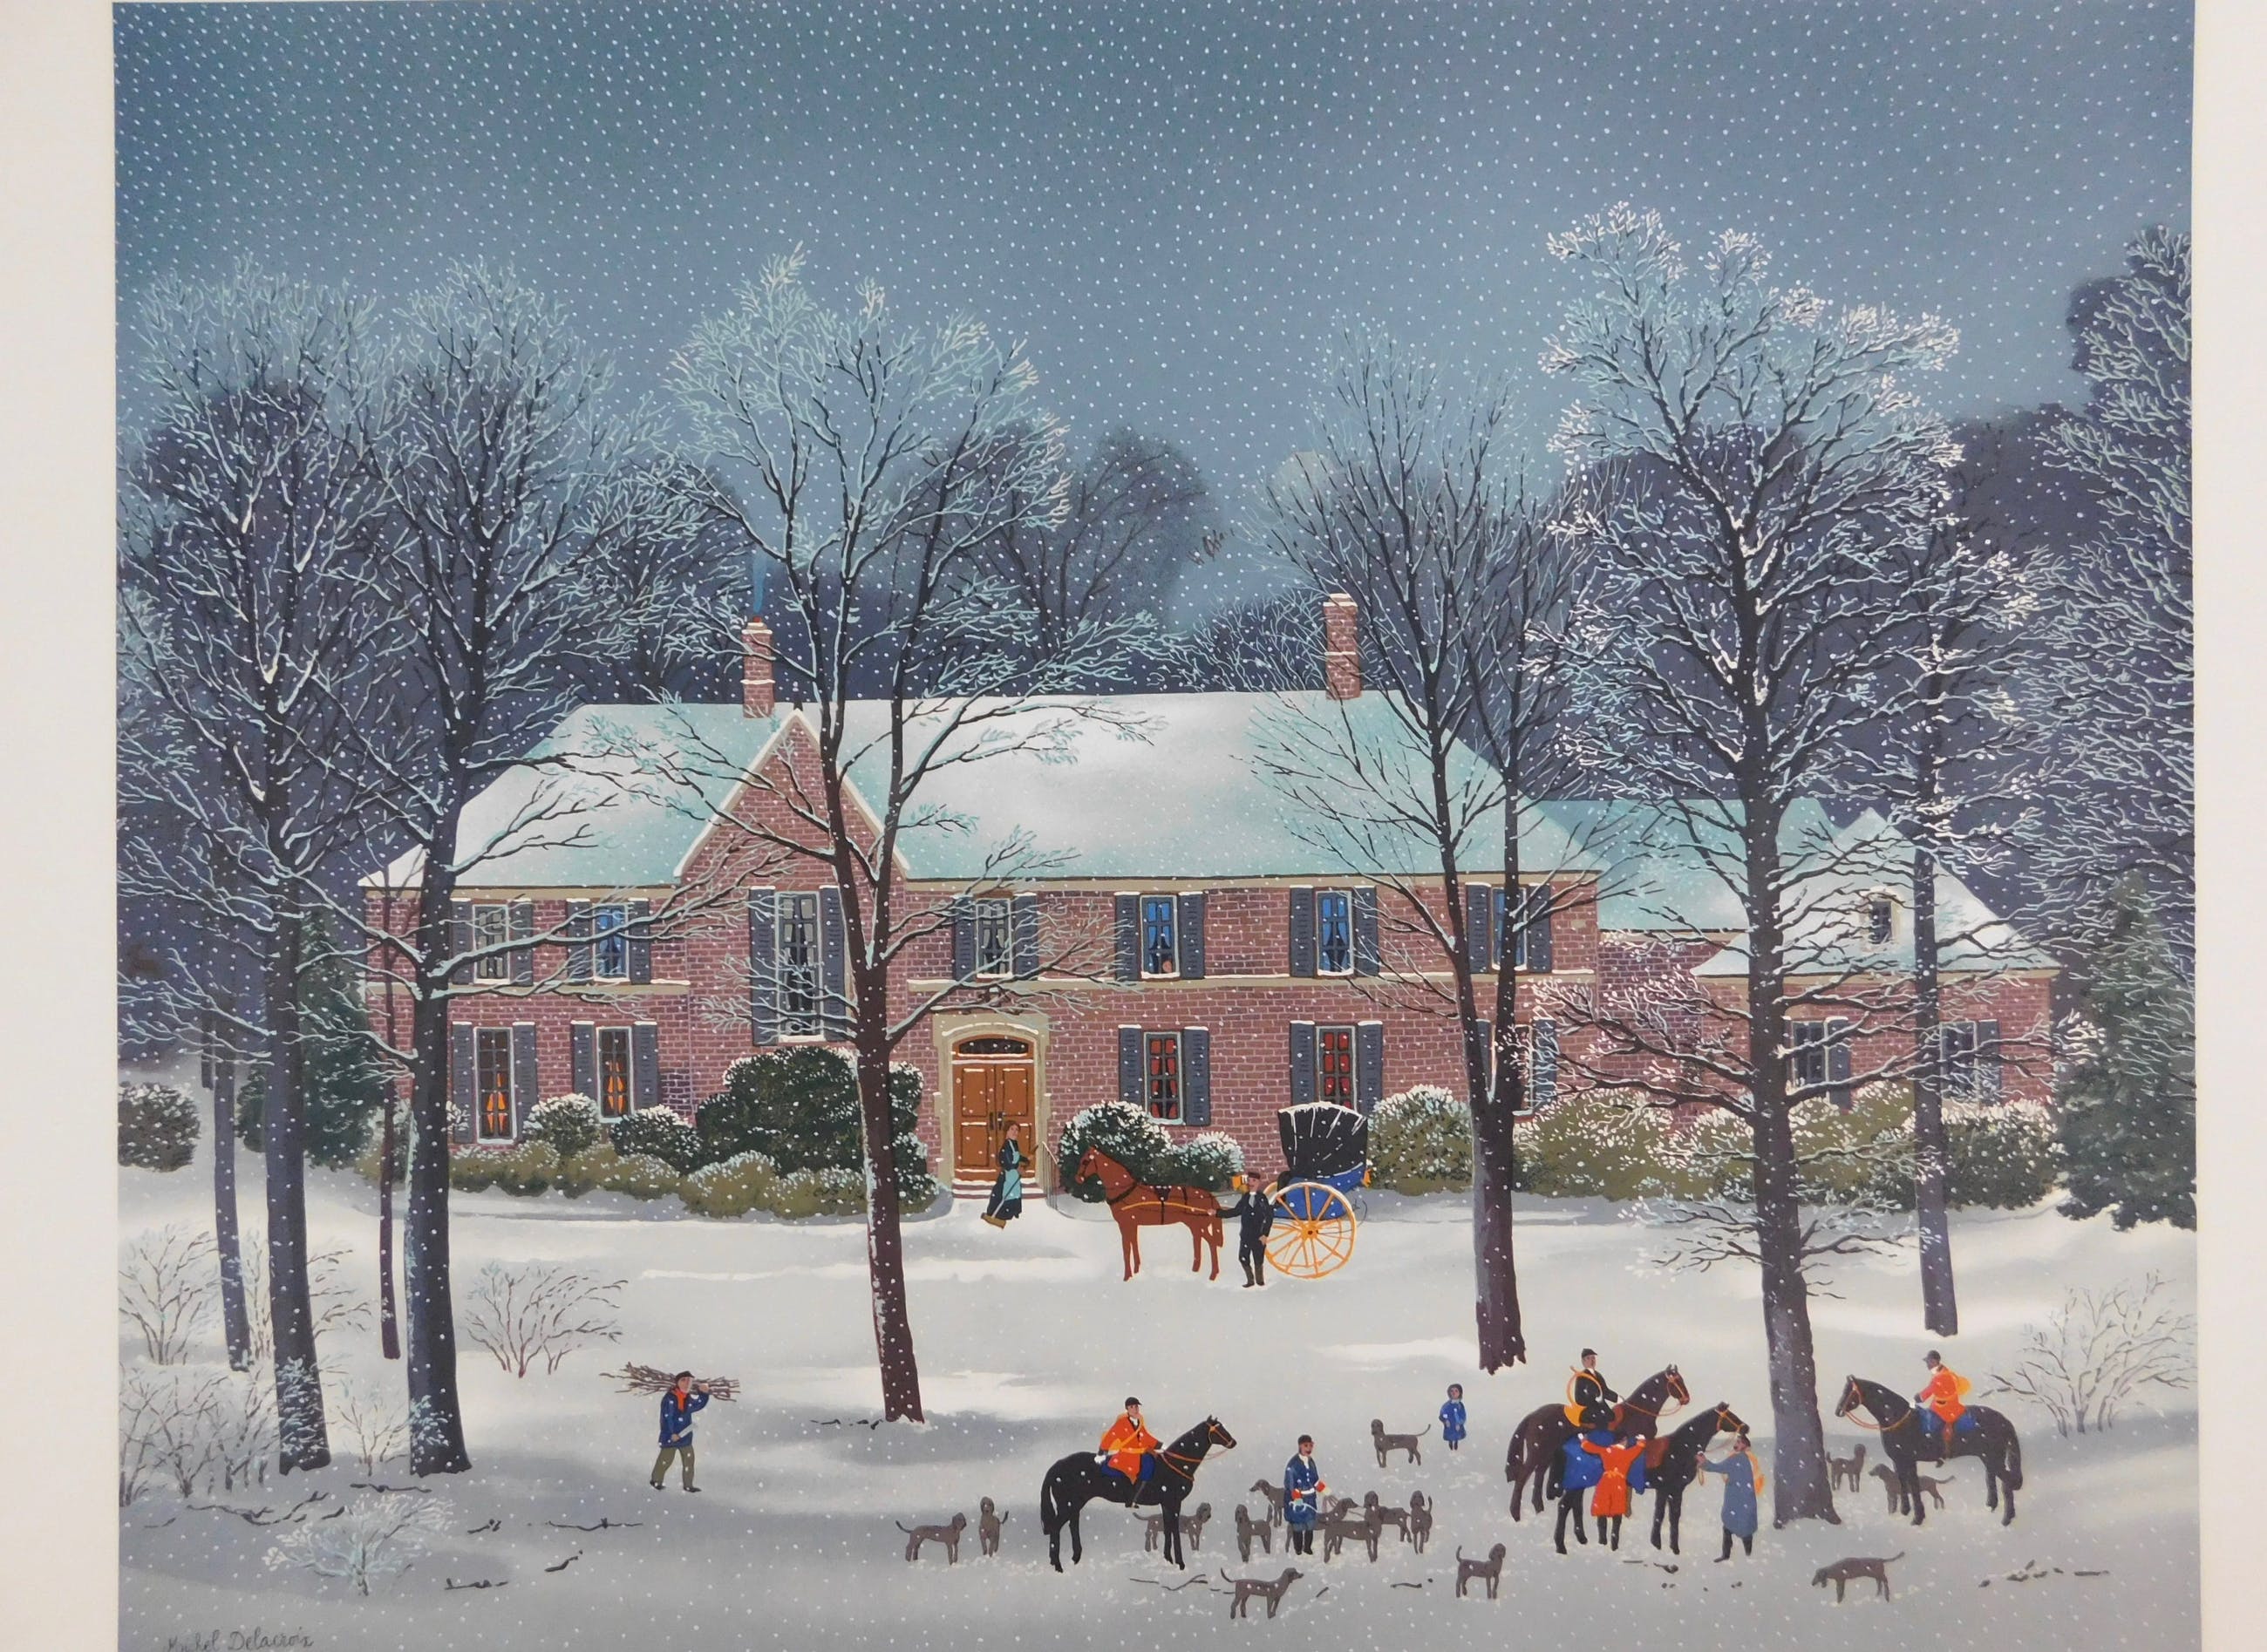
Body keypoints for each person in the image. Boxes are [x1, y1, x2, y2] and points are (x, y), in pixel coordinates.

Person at [1698, 1430, 1765, 1560]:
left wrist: (1703, 1462)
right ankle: (1745, 1554)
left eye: (1739, 1442)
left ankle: (1732, 1555)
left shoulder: (1736, 1460)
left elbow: (1717, 1468)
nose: (1736, 1444)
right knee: (1740, 1528)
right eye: (1737, 1442)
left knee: (1731, 1527)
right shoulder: (1746, 1459)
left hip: (1738, 1500)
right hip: (1743, 1500)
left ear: (1745, 1445)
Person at [1581, 1431, 1649, 1550]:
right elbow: (1639, 1448)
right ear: (1624, 1441)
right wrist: (1642, 1439)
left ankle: (1602, 1539)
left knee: (1602, 1510)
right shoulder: (1627, 1454)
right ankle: (1614, 1541)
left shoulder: (1606, 1451)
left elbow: (1588, 1447)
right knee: (1617, 1510)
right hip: (1619, 1483)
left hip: (1606, 1482)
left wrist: (1584, 1440)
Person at [1554, 1425, 1613, 1553]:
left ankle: (1578, 1530)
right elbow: (1589, 1460)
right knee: (1566, 1505)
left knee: (1576, 1503)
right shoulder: (1577, 1448)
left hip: (1576, 1479)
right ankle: (1560, 1539)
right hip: (1576, 1479)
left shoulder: (1572, 1445)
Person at [650, 1371, 711, 1492]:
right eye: (684, 1380)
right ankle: (656, 1480)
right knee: (666, 1460)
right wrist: (672, 1433)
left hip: (684, 1436)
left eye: (689, 1381)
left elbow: (697, 1405)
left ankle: (688, 1485)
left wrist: (704, 1394)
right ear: (677, 1382)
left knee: (689, 1460)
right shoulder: (670, 1398)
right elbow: (667, 1417)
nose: (687, 1383)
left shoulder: (687, 1398)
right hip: (671, 1437)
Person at [1915, 1349, 1974, 1455]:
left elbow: (1930, 1390)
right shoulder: (1941, 1372)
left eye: (1929, 1362)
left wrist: (1919, 1397)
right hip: (1941, 1404)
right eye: (1927, 1362)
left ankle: (1942, 1449)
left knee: (1934, 1425)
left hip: (1946, 1408)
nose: (1927, 1365)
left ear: (1935, 1361)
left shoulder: (1941, 1376)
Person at [1096, 1397, 1161, 1489]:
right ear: (1127, 1409)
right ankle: (1136, 1492)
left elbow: (1146, 1437)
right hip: (1126, 1455)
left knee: (1151, 1461)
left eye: (1136, 1406)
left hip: (1139, 1454)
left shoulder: (1139, 1422)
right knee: (1143, 1468)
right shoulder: (1122, 1423)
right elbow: (1110, 1437)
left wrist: (1160, 1445)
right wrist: (1101, 1453)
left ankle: (1145, 1488)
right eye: (1132, 1407)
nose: (1135, 1409)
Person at [1229, 1173, 1276, 1287]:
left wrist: (1265, 1234)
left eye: (1254, 1181)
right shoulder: (1245, 1198)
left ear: (1258, 1183)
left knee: (1258, 1259)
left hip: (1259, 1235)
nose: (1251, 1183)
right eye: (1249, 1180)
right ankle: (1250, 1280)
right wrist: (1217, 1213)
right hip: (1246, 1235)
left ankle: (1260, 1281)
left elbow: (1269, 1217)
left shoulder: (1262, 1198)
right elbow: (1235, 1211)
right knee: (1243, 1258)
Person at [1283, 1435, 1325, 1555]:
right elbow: (1290, 1484)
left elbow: (1315, 1480)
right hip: (1297, 1500)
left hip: (1310, 1499)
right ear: (1300, 1446)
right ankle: (1298, 1548)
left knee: (1310, 1524)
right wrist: (1297, 1498)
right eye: (1306, 1446)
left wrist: (1325, 1490)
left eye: (1311, 1445)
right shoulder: (1293, 1465)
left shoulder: (1311, 1462)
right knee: (1298, 1525)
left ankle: (1307, 1547)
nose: (1309, 1448)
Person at [1562, 1348, 1619, 1429]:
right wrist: (1599, 1397)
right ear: (1583, 1361)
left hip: (1599, 1405)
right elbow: (1592, 1393)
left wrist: (1617, 1398)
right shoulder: (1582, 1376)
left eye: (1593, 1358)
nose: (1592, 1360)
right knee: (1602, 1420)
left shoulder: (1598, 1375)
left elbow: (1605, 1390)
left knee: (1613, 1417)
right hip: (1587, 1408)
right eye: (1588, 1358)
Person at [982, 1126, 1025, 1228]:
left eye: (1016, 1130)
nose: (1015, 1132)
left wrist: (1026, 1160)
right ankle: (996, 1215)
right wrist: (1017, 1167)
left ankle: (1011, 1214)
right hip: (1007, 1175)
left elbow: (1017, 1157)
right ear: (1007, 1132)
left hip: (1013, 1175)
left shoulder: (1014, 1144)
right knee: (1002, 1193)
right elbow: (1007, 1162)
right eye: (1012, 1129)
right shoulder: (1006, 1146)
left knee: (1014, 1193)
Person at [1439, 1383, 1467, 1451]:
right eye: (1452, 1391)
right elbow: (1442, 1415)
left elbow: (1463, 1415)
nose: (1454, 1393)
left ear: (1460, 1393)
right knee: (1450, 1435)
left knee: (1457, 1434)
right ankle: (1450, 1443)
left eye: (1456, 1391)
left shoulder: (1460, 1405)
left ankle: (1456, 1443)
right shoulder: (1447, 1405)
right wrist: (1445, 1420)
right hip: (1449, 1425)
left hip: (1457, 1425)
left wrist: (1459, 1423)